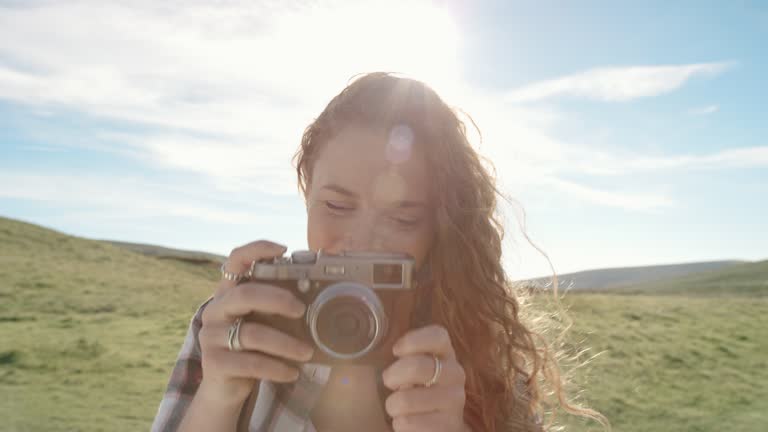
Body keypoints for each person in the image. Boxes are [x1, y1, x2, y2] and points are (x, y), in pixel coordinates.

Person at [151, 72, 606, 432]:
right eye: (335, 205)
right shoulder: (239, 324)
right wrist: (218, 398)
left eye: (404, 218)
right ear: (307, 198)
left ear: (440, 230)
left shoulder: (478, 351)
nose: (363, 241)